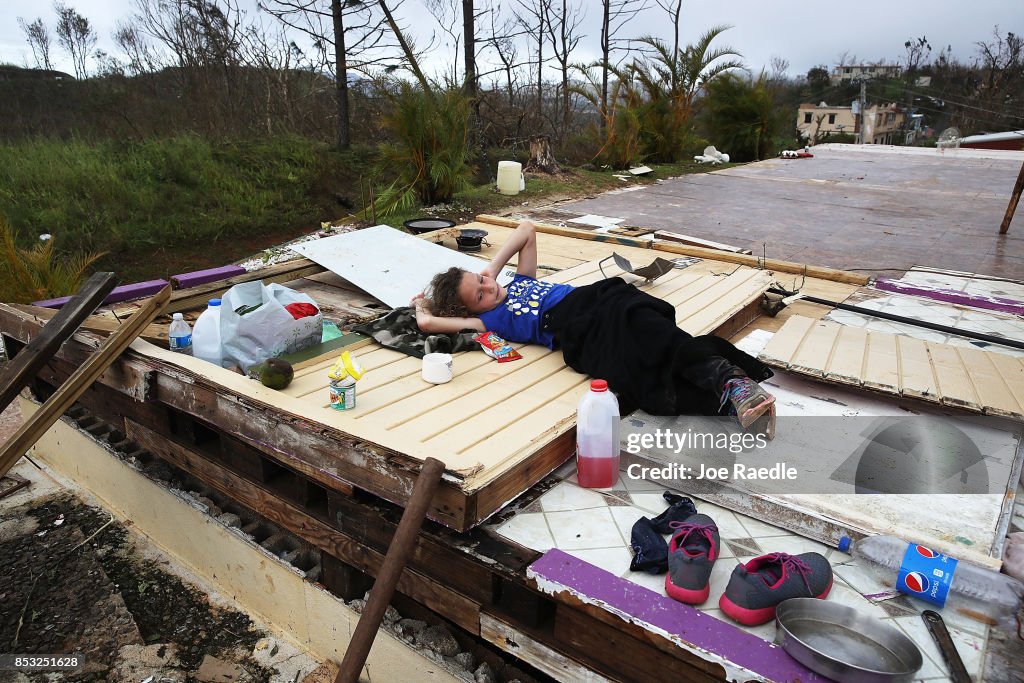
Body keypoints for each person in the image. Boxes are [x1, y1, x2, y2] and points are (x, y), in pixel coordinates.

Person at [413, 220, 776, 436]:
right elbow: (428, 323)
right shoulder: (487, 320)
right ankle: (729, 397)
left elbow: (526, 229)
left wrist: (491, 267)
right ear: (471, 308)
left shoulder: (519, 278)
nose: (488, 288)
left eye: (482, 279)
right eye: (479, 294)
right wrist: (421, 303)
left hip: (599, 300)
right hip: (577, 331)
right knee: (635, 371)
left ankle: (729, 380)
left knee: (652, 330)